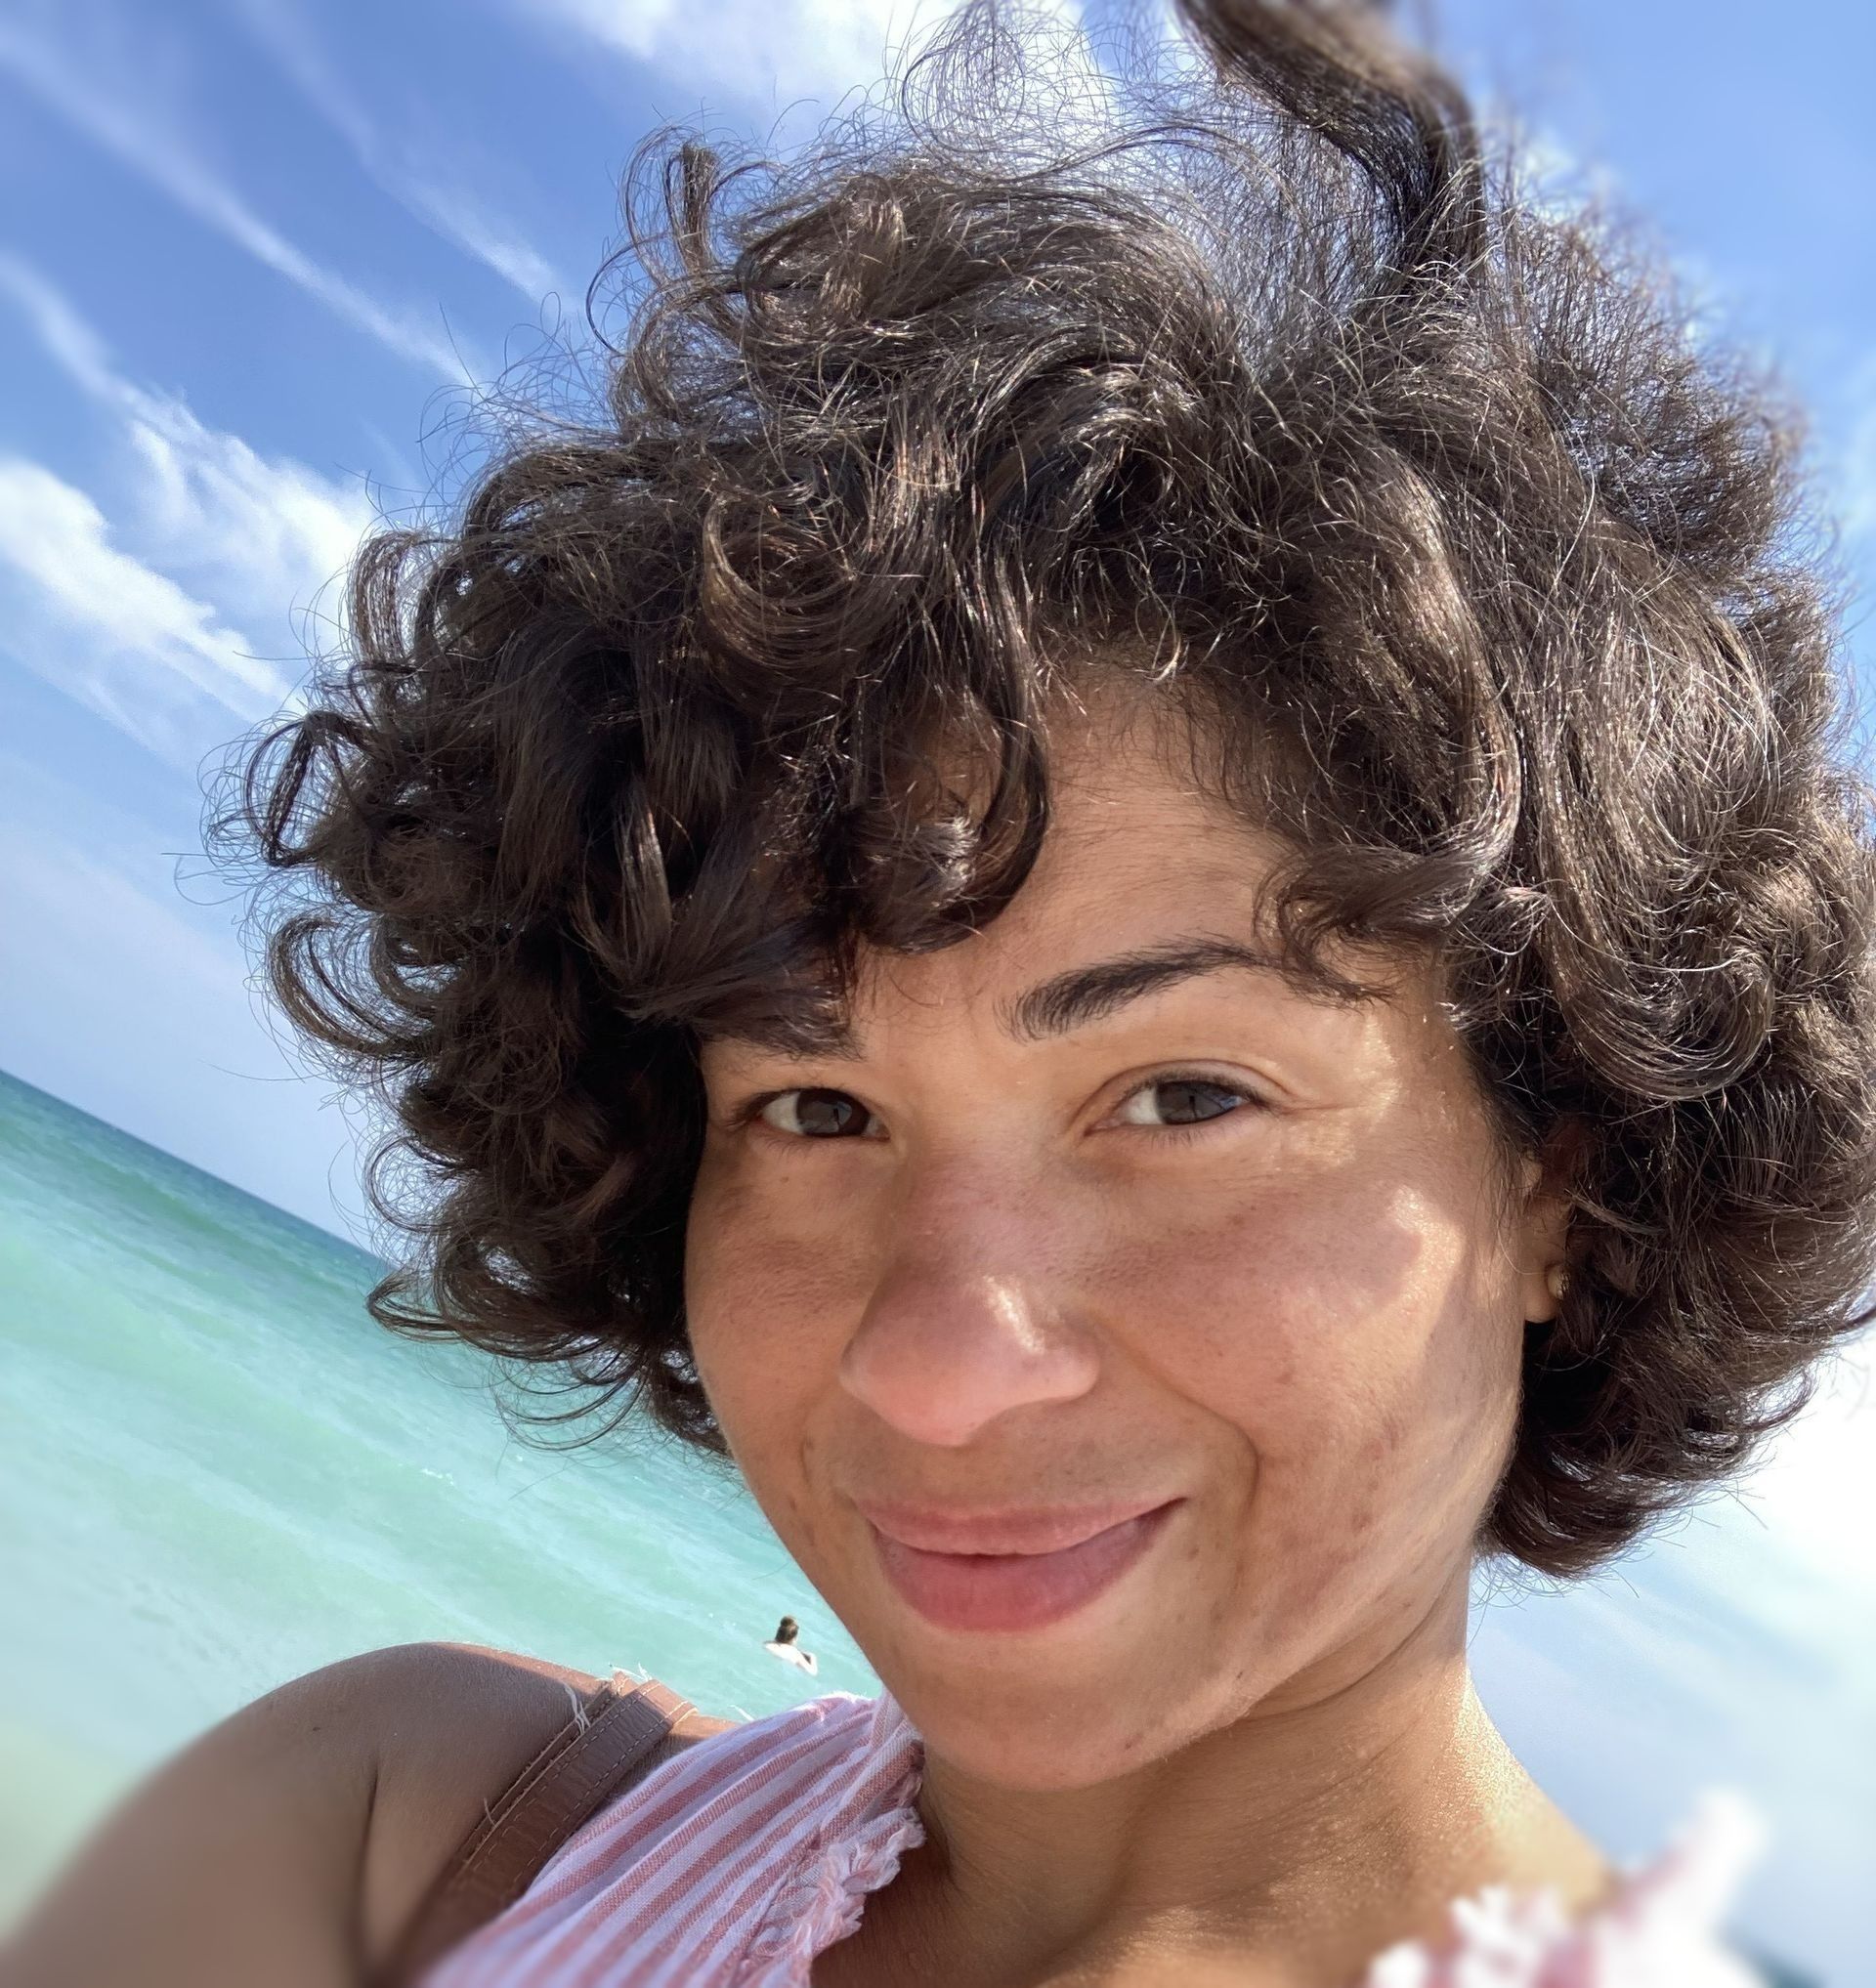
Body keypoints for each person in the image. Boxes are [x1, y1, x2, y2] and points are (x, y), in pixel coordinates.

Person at [7, 1, 1872, 1983]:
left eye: (1185, 1095)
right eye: (815, 1108)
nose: (939, 1368)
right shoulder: (418, 1833)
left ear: (1563, 1176)